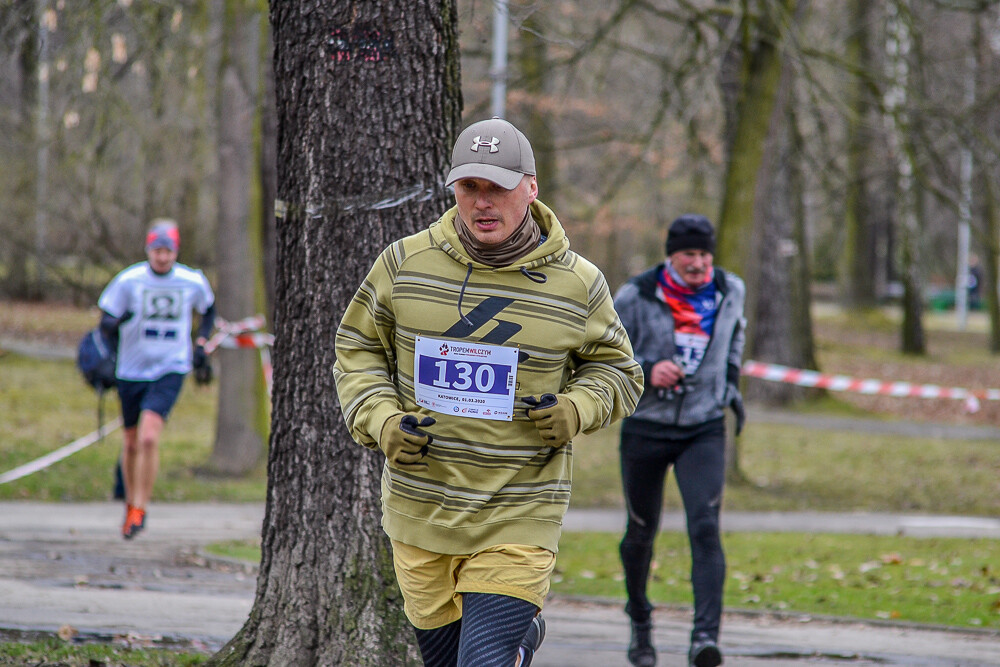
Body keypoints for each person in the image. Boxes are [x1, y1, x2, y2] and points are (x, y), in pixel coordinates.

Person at [334, 117, 643, 667]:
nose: (482, 202)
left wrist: (576, 409)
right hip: (421, 505)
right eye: (469, 187)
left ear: (531, 187)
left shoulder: (578, 283)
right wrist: (381, 421)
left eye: (498, 187)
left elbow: (619, 372)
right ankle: (523, 639)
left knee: (483, 662)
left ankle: (512, 637)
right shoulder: (405, 264)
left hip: (521, 505)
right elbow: (357, 351)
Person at [613, 214, 746, 667]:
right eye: (689, 254)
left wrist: (730, 386)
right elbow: (605, 349)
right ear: (671, 255)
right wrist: (648, 367)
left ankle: (704, 639)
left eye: (705, 254)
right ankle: (641, 625)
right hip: (646, 428)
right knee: (641, 532)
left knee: (705, 528)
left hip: (703, 426)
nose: (698, 263)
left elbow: (735, 337)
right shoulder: (636, 294)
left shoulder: (731, 290)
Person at [97, 219, 216, 539]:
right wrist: (115, 331)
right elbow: (105, 321)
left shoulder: (191, 281)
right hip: (131, 370)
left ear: (176, 251)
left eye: (168, 251)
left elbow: (209, 310)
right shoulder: (129, 280)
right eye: (157, 250)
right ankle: (129, 503)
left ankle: (140, 507)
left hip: (170, 367)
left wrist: (201, 343)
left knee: (150, 437)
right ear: (148, 250)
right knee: (132, 441)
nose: (162, 257)